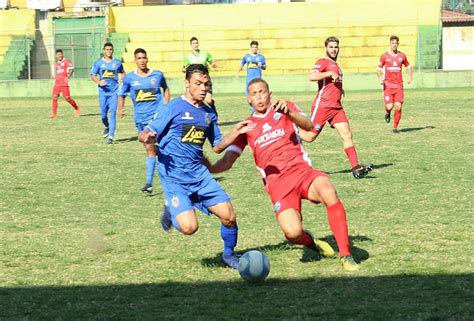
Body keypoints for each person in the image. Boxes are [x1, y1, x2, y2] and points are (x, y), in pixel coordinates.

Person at [208, 78, 360, 272]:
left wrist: (289, 113)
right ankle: (311, 242)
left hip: (301, 172)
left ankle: (346, 254)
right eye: (254, 94)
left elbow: (309, 126)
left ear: (269, 94)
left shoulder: (284, 107)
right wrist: (210, 168)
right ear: (248, 99)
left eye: (262, 92)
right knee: (292, 233)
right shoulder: (247, 128)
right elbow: (227, 161)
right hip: (278, 186)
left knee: (328, 190)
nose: (259, 97)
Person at [138, 64, 254, 269]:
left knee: (229, 216)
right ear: (187, 83)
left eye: (206, 84)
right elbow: (145, 133)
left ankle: (228, 255)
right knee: (190, 228)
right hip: (174, 177)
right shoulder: (172, 108)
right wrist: (147, 136)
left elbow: (217, 146)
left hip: (200, 176)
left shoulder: (208, 114)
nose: (203, 88)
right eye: (198, 84)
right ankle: (171, 210)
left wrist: (236, 132)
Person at [306, 36, 372, 179]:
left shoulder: (336, 66)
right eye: (331, 47)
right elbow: (311, 76)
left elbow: (332, 83)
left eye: (336, 47)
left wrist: (339, 89)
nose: (334, 49)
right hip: (323, 106)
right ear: (326, 48)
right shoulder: (323, 61)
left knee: (347, 134)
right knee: (310, 136)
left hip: (336, 107)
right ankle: (288, 131)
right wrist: (329, 73)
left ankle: (356, 168)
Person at [118, 48, 170, 193]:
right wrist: (120, 109)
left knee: (150, 147)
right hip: (140, 118)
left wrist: (166, 105)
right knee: (149, 147)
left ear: (147, 59)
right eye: (139, 58)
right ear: (135, 60)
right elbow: (121, 94)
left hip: (157, 117)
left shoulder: (157, 75)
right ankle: (160, 155)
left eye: (144, 58)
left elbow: (165, 88)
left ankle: (148, 183)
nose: (142, 60)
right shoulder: (129, 78)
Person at [90, 42, 125, 144]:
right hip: (103, 93)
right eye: (107, 49)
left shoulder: (117, 63)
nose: (109, 51)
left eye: (111, 49)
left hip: (114, 92)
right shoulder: (99, 63)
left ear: (112, 50)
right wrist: (99, 82)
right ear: (104, 51)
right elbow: (92, 75)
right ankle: (107, 126)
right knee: (103, 116)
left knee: (112, 113)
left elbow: (122, 72)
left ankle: (111, 137)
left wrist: (122, 78)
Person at [377, 35, 413, 133]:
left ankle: (395, 127)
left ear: (398, 44)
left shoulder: (402, 56)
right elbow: (379, 69)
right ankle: (387, 112)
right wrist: (380, 77)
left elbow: (408, 67)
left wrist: (410, 77)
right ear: (390, 44)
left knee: (398, 106)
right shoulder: (384, 56)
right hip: (388, 85)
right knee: (389, 106)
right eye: (392, 43)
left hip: (399, 86)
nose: (394, 45)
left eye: (396, 43)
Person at [182, 37, 217, 108]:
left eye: (196, 43)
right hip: (195, 81)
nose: (195, 45)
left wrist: (214, 65)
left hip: (205, 79)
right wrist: (184, 70)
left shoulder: (205, 54)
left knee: (208, 101)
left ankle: (212, 104)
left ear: (198, 44)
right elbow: (183, 68)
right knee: (195, 99)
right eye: (193, 43)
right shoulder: (188, 57)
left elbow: (212, 62)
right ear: (191, 45)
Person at [49, 49, 80, 119]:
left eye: (60, 54)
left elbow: (72, 69)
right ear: (56, 56)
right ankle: (54, 114)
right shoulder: (57, 63)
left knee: (67, 98)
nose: (59, 55)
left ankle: (77, 108)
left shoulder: (66, 61)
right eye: (58, 54)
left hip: (64, 83)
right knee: (54, 97)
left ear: (62, 54)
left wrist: (68, 77)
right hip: (57, 83)